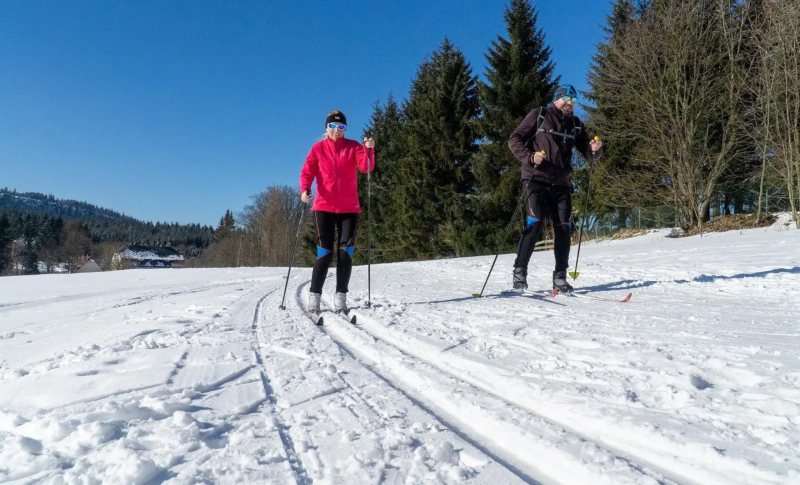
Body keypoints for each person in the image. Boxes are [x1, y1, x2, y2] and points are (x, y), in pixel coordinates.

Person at [507, 84, 602, 293]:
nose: (570, 103)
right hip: (536, 179)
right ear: (556, 99)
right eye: (566, 98)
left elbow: (589, 154)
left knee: (564, 227)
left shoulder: (576, 125)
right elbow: (514, 140)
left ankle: (560, 277)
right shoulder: (539, 115)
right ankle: (519, 272)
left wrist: (595, 149)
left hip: (561, 183)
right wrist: (530, 157)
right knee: (535, 223)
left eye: (574, 101)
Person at [300, 110, 375, 315]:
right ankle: (314, 297)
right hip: (323, 206)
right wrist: (305, 189)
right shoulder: (318, 149)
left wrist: (369, 150)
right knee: (325, 252)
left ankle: (340, 298)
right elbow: (307, 171)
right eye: (332, 126)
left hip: (349, 208)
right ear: (326, 128)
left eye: (340, 127)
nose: (336, 130)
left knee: (345, 252)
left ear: (345, 129)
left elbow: (365, 167)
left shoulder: (353, 147)